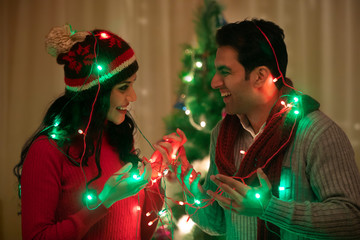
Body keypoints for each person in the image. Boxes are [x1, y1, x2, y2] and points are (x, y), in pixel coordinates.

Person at [172, 19, 360, 239]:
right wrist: (189, 183)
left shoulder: (316, 133)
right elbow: (218, 223)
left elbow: (352, 219)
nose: (215, 82)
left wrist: (268, 208)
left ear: (260, 76)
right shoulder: (223, 135)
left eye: (225, 72)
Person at [13, 25, 172, 240]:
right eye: (124, 87)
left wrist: (153, 181)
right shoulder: (47, 151)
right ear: (95, 94)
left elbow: (138, 234)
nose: (133, 96)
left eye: (133, 85)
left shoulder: (118, 141)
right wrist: (104, 201)